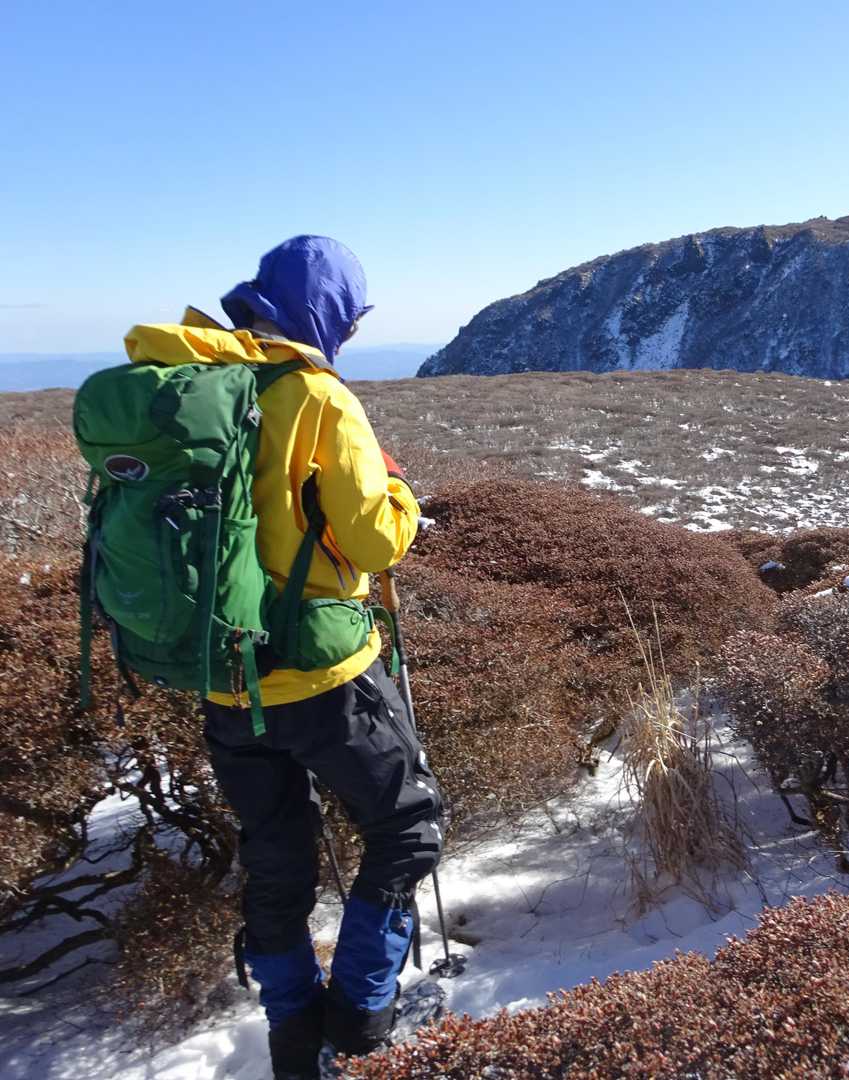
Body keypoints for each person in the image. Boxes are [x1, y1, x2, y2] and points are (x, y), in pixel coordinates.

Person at [126, 237, 441, 1079]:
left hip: (225, 676)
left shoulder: (195, 382)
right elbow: (374, 542)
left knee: (277, 859)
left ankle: (294, 1041)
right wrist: (399, 493)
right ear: (327, 312)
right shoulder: (316, 395)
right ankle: (362, 1028)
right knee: (405, 829)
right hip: (322, 676)